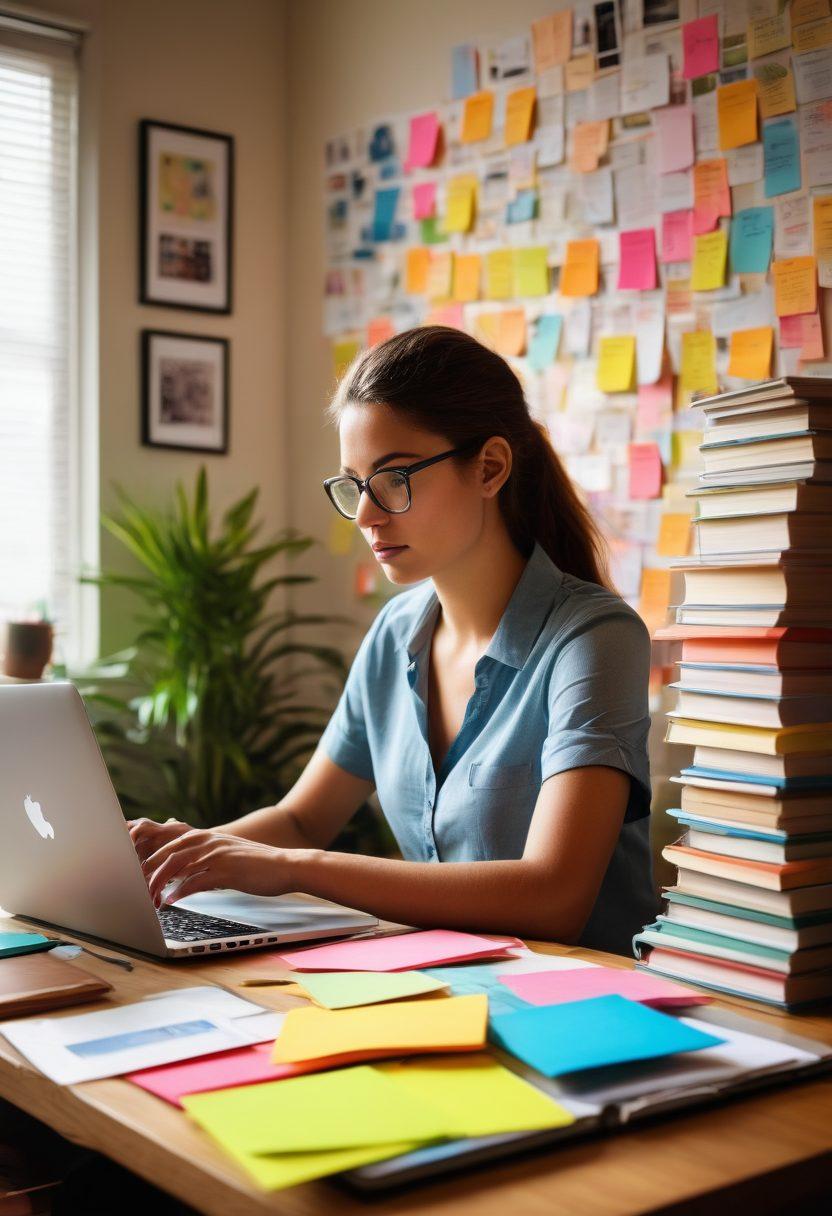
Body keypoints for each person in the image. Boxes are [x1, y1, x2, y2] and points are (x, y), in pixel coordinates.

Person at [130, 326, 657, 955]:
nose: (366, 515)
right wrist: (181, 857)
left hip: (585, 1010)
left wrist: (298, 869)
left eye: (394, 478)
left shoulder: (594, 638)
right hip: (441, 989)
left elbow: (554, 897)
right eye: (354, 484)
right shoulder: (394, 633)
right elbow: (302, 819)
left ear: (490, 467)